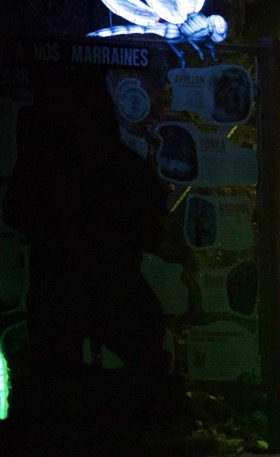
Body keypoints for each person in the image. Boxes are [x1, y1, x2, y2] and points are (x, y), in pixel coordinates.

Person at [2, 70, 172, 422]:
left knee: (56, 378)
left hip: (58, 288)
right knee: (144, 361)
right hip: (113, 287)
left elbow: (16, 214)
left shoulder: (42, 165)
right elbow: (154, 229)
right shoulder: (123, 165)